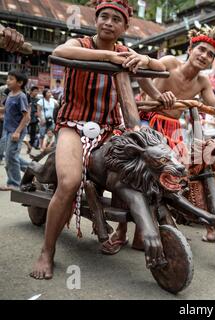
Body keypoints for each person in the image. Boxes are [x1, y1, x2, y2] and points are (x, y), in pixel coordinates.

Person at [30, 0, 167, 280]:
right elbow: (59, 52)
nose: (108, 23)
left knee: (141, 168)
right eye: (103, 17)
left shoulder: (126, 51)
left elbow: (151, 78)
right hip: (73, 125)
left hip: (110, 128)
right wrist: (109, 58)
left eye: (116, 20)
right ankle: (47, 251)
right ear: (96, 20)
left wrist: (146, 64)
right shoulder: (79, 43)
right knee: (68, 183)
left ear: (125, 27)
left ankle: (128, 231)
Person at [108, 24, 215, 250]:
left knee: (176, 175)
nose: (204, 56)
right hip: (146, 122)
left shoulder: (203, 82)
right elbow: (141, 73)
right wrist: (157, 95)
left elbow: (213, 104)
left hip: (173, 131)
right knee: (131, 174)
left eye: (210, 54)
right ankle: (121, 230)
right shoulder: (168, 63)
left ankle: (156, 223)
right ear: (190, 49)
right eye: (201, 50)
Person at [0, 70, 30, 191]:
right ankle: (35, 170)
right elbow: (4, 110)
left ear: (20, 82)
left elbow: (26, 116)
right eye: (7, 78)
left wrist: (17, 132)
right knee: (11, 156)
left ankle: (14, 183)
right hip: (6, 130)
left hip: (15, 131)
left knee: (11, 157)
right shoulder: (10, 95)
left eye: (11, 79)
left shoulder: (21, 96)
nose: (8, 81)